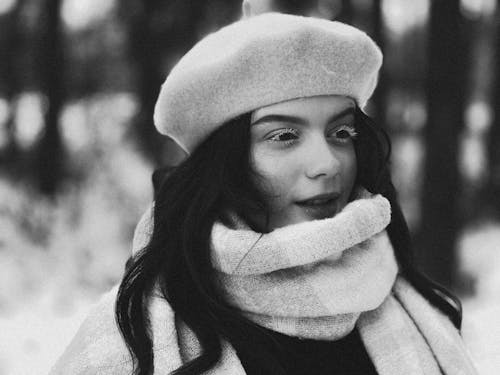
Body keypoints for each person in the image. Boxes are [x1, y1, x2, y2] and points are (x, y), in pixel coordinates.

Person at [50, 10, 478, 375]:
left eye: (341, 132)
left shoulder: (403, 299)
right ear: (225, 163)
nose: (327, 162)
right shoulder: (131, 335)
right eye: (285, 135)